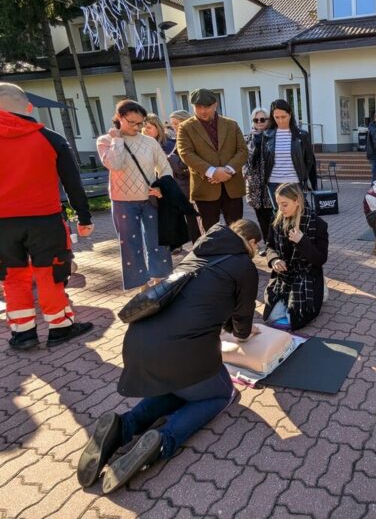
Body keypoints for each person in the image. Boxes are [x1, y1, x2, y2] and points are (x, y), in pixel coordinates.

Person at [76, 220, 261, 493]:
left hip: (139, 343)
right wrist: (246, 332)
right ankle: (162, 441)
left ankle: (125, 425)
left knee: (183, 385)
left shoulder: (198, 252)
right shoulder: (244, 266)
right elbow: (242, 324)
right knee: (221, 393)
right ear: (253, 243)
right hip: (182, 355)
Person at [0, 83, 94, 350]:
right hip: (44, 219)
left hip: (2, 224)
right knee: (49, 273)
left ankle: (23, 332)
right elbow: (72, 183)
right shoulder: (51, 138)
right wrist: (84, 218)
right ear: (29, 107)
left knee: (13, 277)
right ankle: (60, 326)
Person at [97, 100, 173, 291]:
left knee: (157, 239)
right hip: (122, 201)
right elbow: (115, 165)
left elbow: (165, 168)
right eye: (133, 122)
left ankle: (160, 278)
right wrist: (117, 140)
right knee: (130, 243)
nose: (138, 127)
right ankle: (141, 284)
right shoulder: (105, 141)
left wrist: (161, 186)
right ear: (120, 118)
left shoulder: (149, 142)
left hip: (149, 198)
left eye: (141, 123)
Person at [176, 89, 248, 231]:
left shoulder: (231, 125)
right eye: (198, 107)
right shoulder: (185, 128)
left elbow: (242, 150)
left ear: (215, 105)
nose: (202, 111)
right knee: (209, 232)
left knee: (237, 230)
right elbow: (186, 153)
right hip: (204, 188)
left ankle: (237, 253)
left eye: (207, 107)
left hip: (232, 186)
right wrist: (212, 172)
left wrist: (227, 170)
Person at [263, 183, 328, 331]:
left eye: (284, 204)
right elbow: (269, 246)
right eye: (278, 204)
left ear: (297, 201)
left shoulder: (318, 224)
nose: (280, 209)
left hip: (306, 275)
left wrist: (302, 242)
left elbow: (321, 259)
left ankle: (320, 288)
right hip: (284, 276)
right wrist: (274, 260)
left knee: (294, 318)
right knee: (272, 316)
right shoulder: (277, 221)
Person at [260, 98, 317, 211]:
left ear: (290, 114)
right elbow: (264, 160)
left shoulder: (302, 135)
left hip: (295, 183)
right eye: (277, 117)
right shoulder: (267, 136)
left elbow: (310, 160)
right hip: (274, 183)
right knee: (279, 216)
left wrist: (310, 182)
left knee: (298, 215)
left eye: (283, 117)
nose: (280, 120)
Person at [166, 110, 201, 245]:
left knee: (198, 219)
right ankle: (197, 246)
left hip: (194, 185)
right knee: (191, 220)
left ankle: (201, 246)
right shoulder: (179, 138)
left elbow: (186, 163)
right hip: (184, 187)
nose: (174, 126)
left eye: (176, 123)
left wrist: (170, 160)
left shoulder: (192, 138)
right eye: (172, 124)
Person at [244, 107, 273, 255]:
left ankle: (276, 245)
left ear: (268, 120)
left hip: (270, 184)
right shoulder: (248, 138)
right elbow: (243, 160)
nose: (260, 122)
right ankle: (268, 245)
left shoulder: (273, 136)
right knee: (261, 217)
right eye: (256, 120)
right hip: (255, 186)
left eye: (263, 119)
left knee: (273, 217)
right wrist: (246, 174)